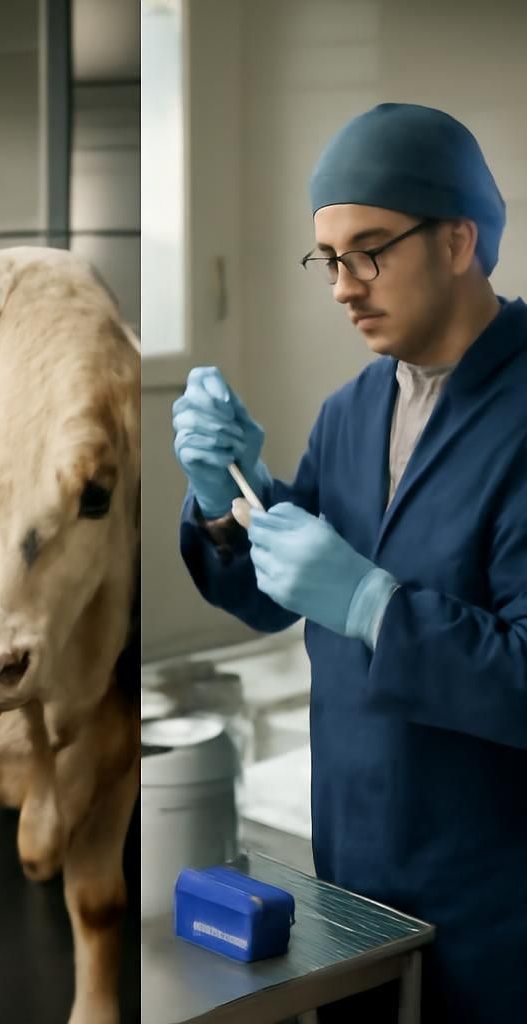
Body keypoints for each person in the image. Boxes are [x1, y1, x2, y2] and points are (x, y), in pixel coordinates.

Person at [175, 103, 527, 1023]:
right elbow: (270, 599)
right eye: (327, 257)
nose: (341, 286)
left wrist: (376, 605)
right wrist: (228, 500)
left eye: (367, 251)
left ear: (459, 239)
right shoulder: (353, 409)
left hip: (497, 889)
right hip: (356, 868)